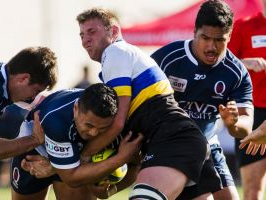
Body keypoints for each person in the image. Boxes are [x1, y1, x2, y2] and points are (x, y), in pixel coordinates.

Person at [76, 7, 221, 200]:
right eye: (82, 34)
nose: (85, 40)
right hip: (183, 140)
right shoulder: (124, 57)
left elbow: (118, 123)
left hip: (173, 140)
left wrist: (85, 155)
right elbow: (134, 155)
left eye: (91, 32)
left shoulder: (115, 52)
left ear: (114, 31)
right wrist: (109, 190)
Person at [151, 1, 253, 199]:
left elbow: (246, 126)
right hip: (167, 145)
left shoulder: (236, 72)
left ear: (230, 37)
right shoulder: (168, 58)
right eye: (205, 38)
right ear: (194, 32)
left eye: (220, 40)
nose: (211, 47)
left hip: (206, 144)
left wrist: (234, 123)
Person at [10, 83, 143, 200]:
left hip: (76, 164)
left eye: (103, 128)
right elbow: (71, 178)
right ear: (76, 109)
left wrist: (111, 191)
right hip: (37, 149)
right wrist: (119, 159)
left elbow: (135, 165)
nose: (94, 133)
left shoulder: (122, 126)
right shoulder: (56, 120)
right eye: (89, 125)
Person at [0, 46, 58, 162]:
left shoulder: (7, 78)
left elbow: (49, 104)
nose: (34, 96)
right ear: (24, 79)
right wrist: (34, 139)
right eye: (37, 90)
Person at [227, 0, 266, 199]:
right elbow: (222, 65)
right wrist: (245, 63)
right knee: (252, 190)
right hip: (252, 113)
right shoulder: (244, 26)